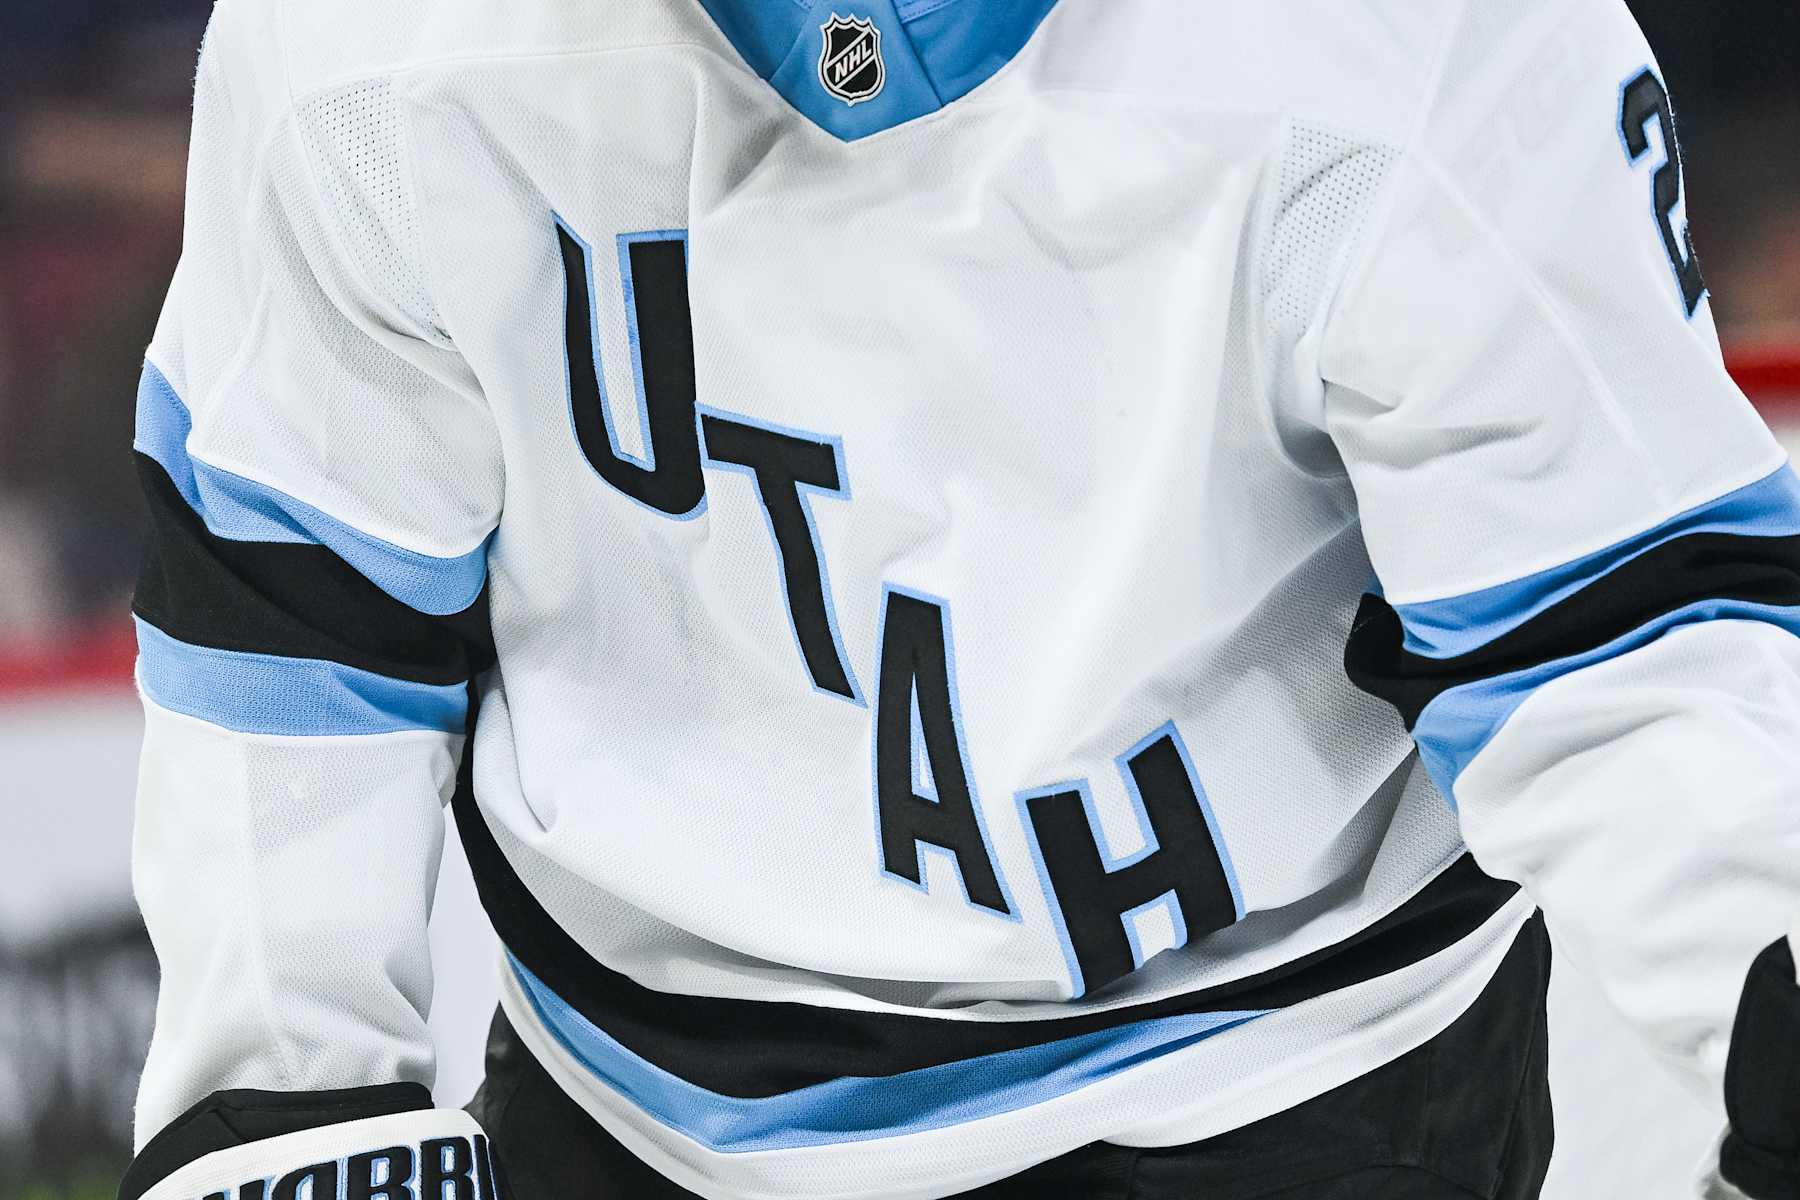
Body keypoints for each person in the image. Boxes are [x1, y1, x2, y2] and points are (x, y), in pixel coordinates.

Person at [115, 0, 1800, 1196]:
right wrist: (282, 1092)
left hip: (1298, 1073)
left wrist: (1762, 956)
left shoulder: (1413, 38)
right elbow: (298, 580)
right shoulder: (367, 46)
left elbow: (1620, 620)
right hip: (640, 1105)